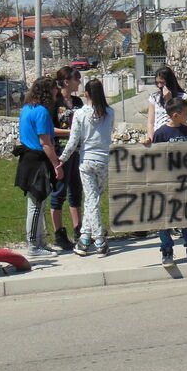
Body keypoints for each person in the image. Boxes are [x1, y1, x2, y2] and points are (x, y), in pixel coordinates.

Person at [149, 97, 187, 267]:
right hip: (167, 184)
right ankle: (167, 250)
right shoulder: (161, 133)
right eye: (186, 113)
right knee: (165, 218)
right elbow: (155, 159)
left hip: (186, 183)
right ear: (175, 115)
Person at [60, 78, 114, 256]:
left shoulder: (81, 114)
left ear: (87, 94)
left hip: (87, 161)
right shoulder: (110, 112)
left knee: (92, 200)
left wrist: (62, 159)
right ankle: (84, 238)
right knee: (93, 199)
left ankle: (98, 240)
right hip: (104, 161)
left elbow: (73, 140)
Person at [15, 77, 64, 258]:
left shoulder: (27, 108)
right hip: (37, 162)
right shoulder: (42, 111)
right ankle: (34, 246)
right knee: (35, 206)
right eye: (53, 89)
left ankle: (40, 242)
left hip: (28, 159)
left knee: (39, 203)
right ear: (47, 91)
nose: (56, 92)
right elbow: (45, 142)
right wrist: (56, 164)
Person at [50, 66, 84, 251]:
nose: (78, 82)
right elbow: (49, 129)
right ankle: (59, 233)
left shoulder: (78, 101)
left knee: (76, 191)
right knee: (59, 192)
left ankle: (78, 230)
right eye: (75, 79)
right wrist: (71, 132)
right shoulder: (54, 102)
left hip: (78, 152)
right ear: (66, 82)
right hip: (61, 151)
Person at [145, 67, 187, 141]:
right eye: (157, 83)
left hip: (176, 135)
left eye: (162, 82)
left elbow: (181, 117)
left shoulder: (182, 97)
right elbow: (150, 122)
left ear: (169, 81)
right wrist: (151, 139)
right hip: (159, 136)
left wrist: (169, 100)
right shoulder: (154, 97)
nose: (159, 86)